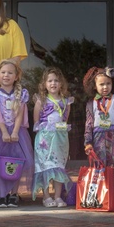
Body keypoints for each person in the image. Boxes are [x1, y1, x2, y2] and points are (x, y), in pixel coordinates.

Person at [0, 60, 34, 207]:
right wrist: (5, 132)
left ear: (16, 76)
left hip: (17, 133)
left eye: (10, 73)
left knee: (16, 162)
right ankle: (1, 194)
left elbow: (20, 114)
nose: (6, 75)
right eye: (3, 72)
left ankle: (13, 193)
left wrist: (15, 131)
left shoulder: (21, 94)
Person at [82, 67, 114, 207]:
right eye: (101, 84)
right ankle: (100, 196)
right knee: (99, 168)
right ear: (95, 86)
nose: (105, 87)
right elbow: (88, 125)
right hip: (98, 140)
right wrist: (88, 142)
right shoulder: (91, 103)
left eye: (108, 84)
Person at [32, 67, 73, 207]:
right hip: (45, 138)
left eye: (56, 80)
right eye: (49, 81)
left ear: (61, 83)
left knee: (59, 166)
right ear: (44, 84)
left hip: (60, 138)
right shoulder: (41, 100)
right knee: (45, 166)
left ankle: (57, 197)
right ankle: (46, 196)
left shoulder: (66, 101)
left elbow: (65, 119)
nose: (53, 83)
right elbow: (36, 120)